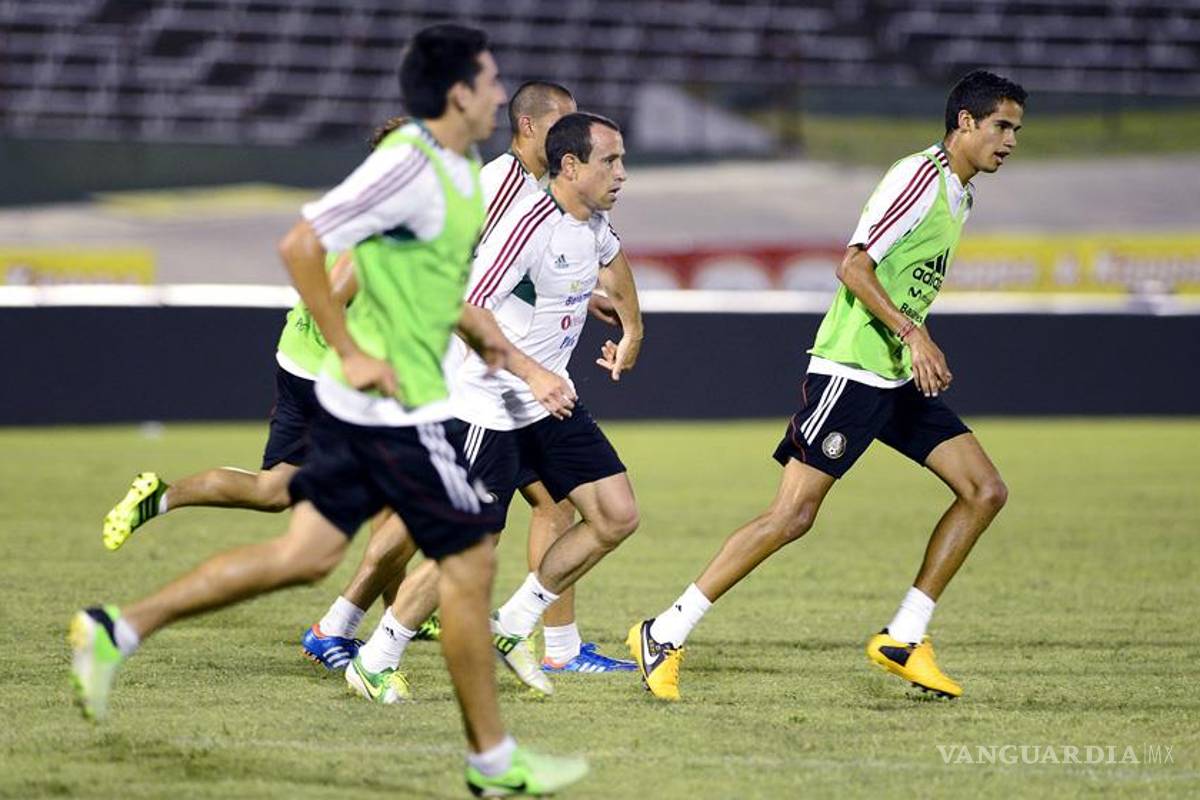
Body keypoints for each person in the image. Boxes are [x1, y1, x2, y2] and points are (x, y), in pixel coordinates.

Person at [70, 24, 588, 796]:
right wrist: (347, 347)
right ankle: (489, 761)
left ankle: (117, 631)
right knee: (469, 560)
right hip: (391, 409)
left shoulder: (456, 171)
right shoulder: (410, 163)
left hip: (404, 402)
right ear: (456, 92)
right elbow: (302, 246)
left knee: (303, 556)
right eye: (487, 80)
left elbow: (439, 291)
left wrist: (507, 354)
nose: (498, 95)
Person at [627, 70, 1024, 702]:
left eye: (1016, 130)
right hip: (851, 370)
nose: (1010, 140)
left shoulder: (962, 193)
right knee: (792, 516)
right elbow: (853, 265)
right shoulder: (920, 178)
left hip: (893, 374)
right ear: (966, 123)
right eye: (1001, 126)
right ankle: (665, 631)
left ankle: (905, 635)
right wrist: (914, 333)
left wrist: (909, 342)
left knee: (984, 489)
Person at [308, 81, 634, 677]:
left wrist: (605, 312)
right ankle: (350, 631)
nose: (618, 171)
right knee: (451, 528)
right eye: (568, 125)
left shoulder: (570, 211)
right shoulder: (504, 193)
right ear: (538, 133)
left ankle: (538, 638)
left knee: (579, 510)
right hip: (465, 378)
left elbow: (582, 262)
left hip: (528, 391)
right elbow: (463, 292)